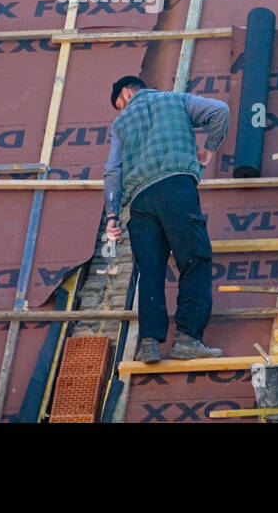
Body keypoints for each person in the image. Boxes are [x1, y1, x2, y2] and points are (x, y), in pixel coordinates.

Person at [103, 75, 230, 363]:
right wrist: (208, 151)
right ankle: (187, 339)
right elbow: (220, 111)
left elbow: (113, 171)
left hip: (140, 202)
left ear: (126, 92)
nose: (122, 112)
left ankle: (149, 342)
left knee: (150, 271)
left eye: (119, 105)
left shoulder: (120, 125)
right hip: (175, 187)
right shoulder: (177, 99)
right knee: (194, 259)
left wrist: (112, 214)